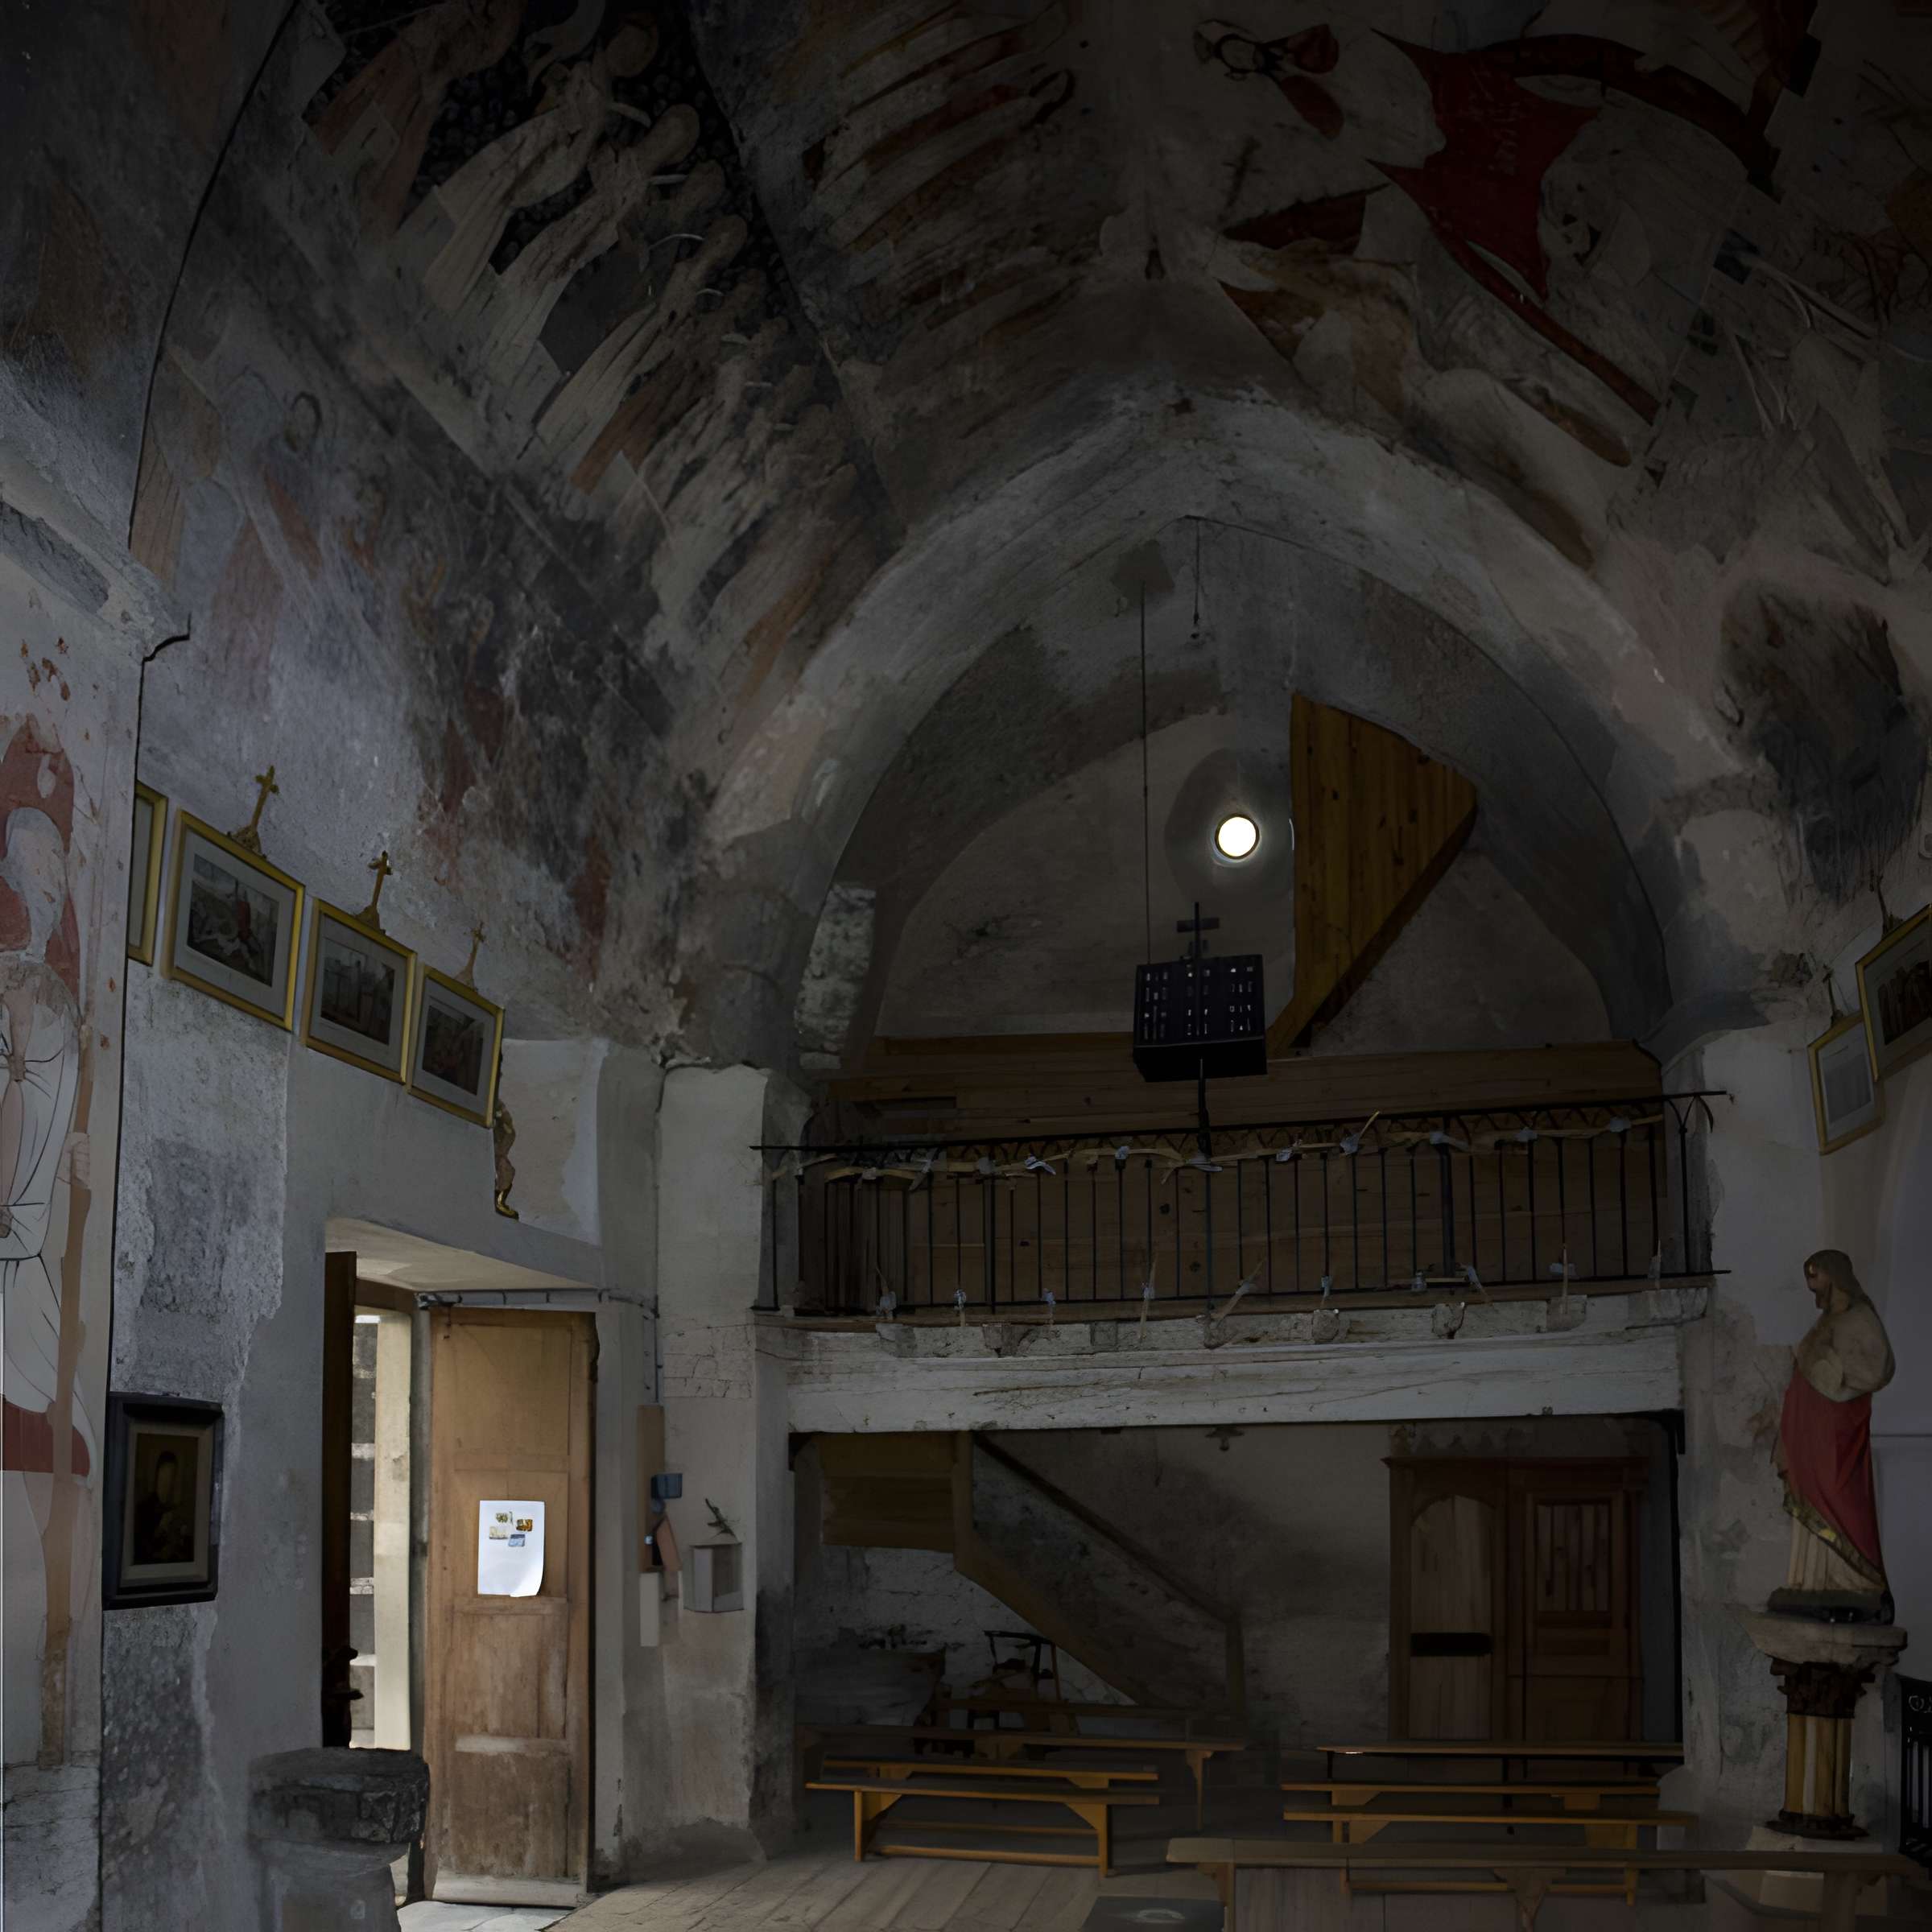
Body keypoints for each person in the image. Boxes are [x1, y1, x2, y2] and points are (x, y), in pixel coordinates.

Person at [1769, 1249, 1895, 1623]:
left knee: (1841, 1494)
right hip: (1810, 1428)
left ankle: (1856, 1581)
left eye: (1815, 1276)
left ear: (1835, 1276)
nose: (1811, 1286)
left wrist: (1829, 1366)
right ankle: (1810, 1582)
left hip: (1837, 1428)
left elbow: (1878, 1369)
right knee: (1810, 1494)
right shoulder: (1824, 1323)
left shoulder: (1860, 1318)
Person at [134, 1451, 194, 1566]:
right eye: (165, 1475)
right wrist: (161, 1528)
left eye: (171, 1475)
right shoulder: (143, 1509)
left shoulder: (173, 1509)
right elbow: (141, 1551)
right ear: (157, 1475)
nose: (168, 1481)